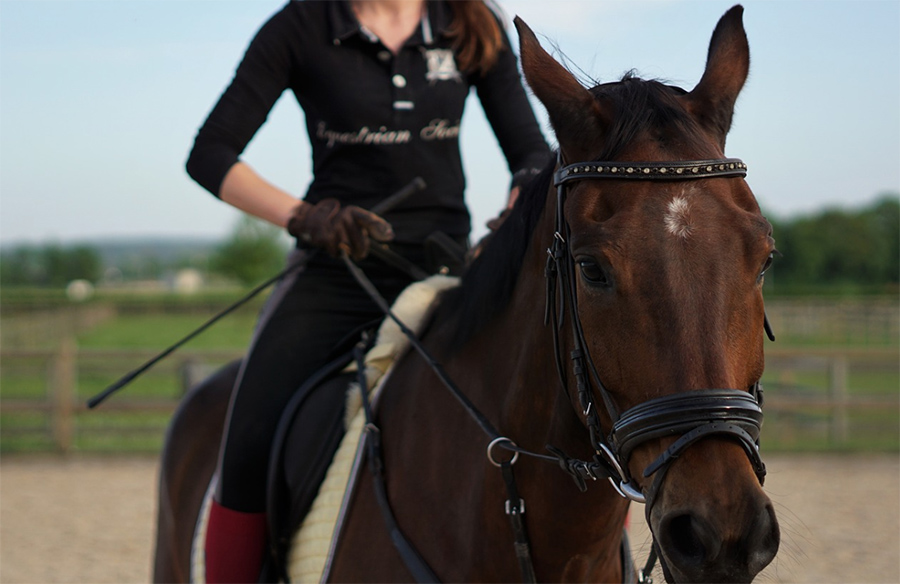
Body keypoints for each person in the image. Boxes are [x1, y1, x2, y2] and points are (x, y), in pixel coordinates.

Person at [185, 0, 550, 581]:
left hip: (446, 269)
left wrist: (511, 218)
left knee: (562, 398)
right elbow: (209, 155)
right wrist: (305, 218)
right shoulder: (301, 26)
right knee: (248, 435)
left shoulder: (469, 22)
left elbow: (532, 155)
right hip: (337, 268)